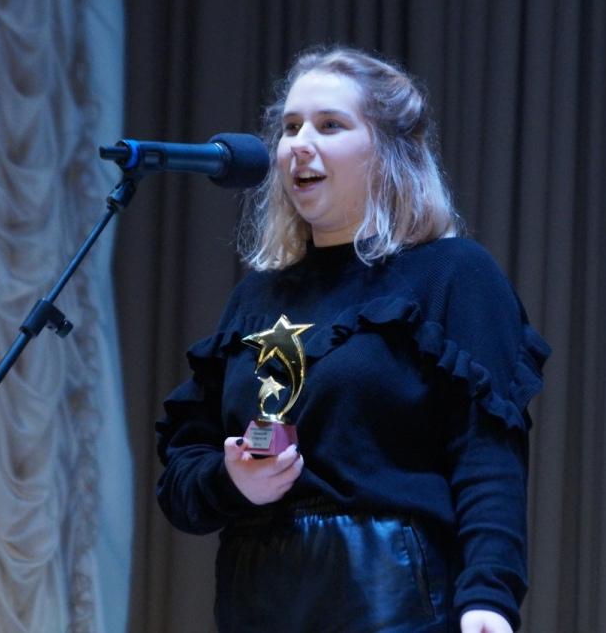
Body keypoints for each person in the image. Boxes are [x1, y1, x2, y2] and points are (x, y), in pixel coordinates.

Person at [155, 46, 550, 633]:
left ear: (388, 151)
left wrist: (489, 596)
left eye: (330, 125)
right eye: (291, 127)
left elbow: (487, 455)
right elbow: (182, 474)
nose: (299, 144)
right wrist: (231, 480)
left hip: (393, 600)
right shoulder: (255, 299)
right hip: (258, 602)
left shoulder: (452, 275)